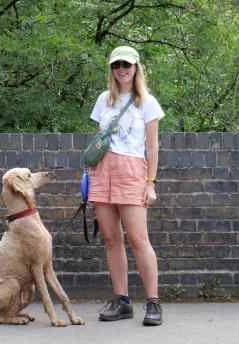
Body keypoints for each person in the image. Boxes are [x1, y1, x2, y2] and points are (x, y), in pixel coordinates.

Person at [87, 46, 165, 326]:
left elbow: (152, 148)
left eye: (126, 64)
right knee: (111, 239)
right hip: (102, 171)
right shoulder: (103, 101)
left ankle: (153, 303)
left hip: (132, 171)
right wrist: (91, 174)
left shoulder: (148, 102)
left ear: (136, 68)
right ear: (111, 69)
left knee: (138, 239)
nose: (121, 69)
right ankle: (122, 300)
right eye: (116, 64)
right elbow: (99, 142)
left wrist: (150, 183)